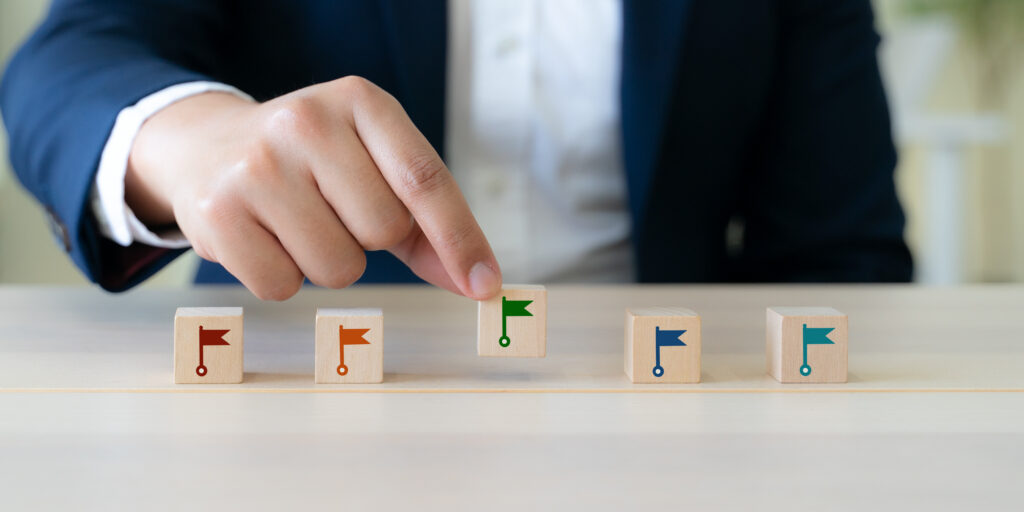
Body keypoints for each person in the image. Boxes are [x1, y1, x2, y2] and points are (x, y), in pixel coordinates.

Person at [0, 0, 912, 301]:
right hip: (299, 402)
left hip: (671, 419)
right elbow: (74, 54)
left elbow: (839, 257)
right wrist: (183, 131)